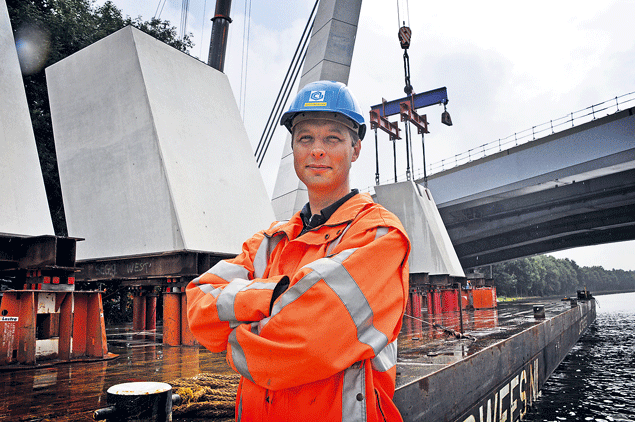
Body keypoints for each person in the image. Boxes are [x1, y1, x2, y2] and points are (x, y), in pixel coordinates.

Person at [187, 80, 411, 421]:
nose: (317, 150)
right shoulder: (270, 241)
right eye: (305, 138)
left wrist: (237, 329)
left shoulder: (379, 235)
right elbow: (198, 301)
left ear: (355, 149)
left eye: (332, 138)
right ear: (293, 148)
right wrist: (273, 295)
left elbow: (308, 343)